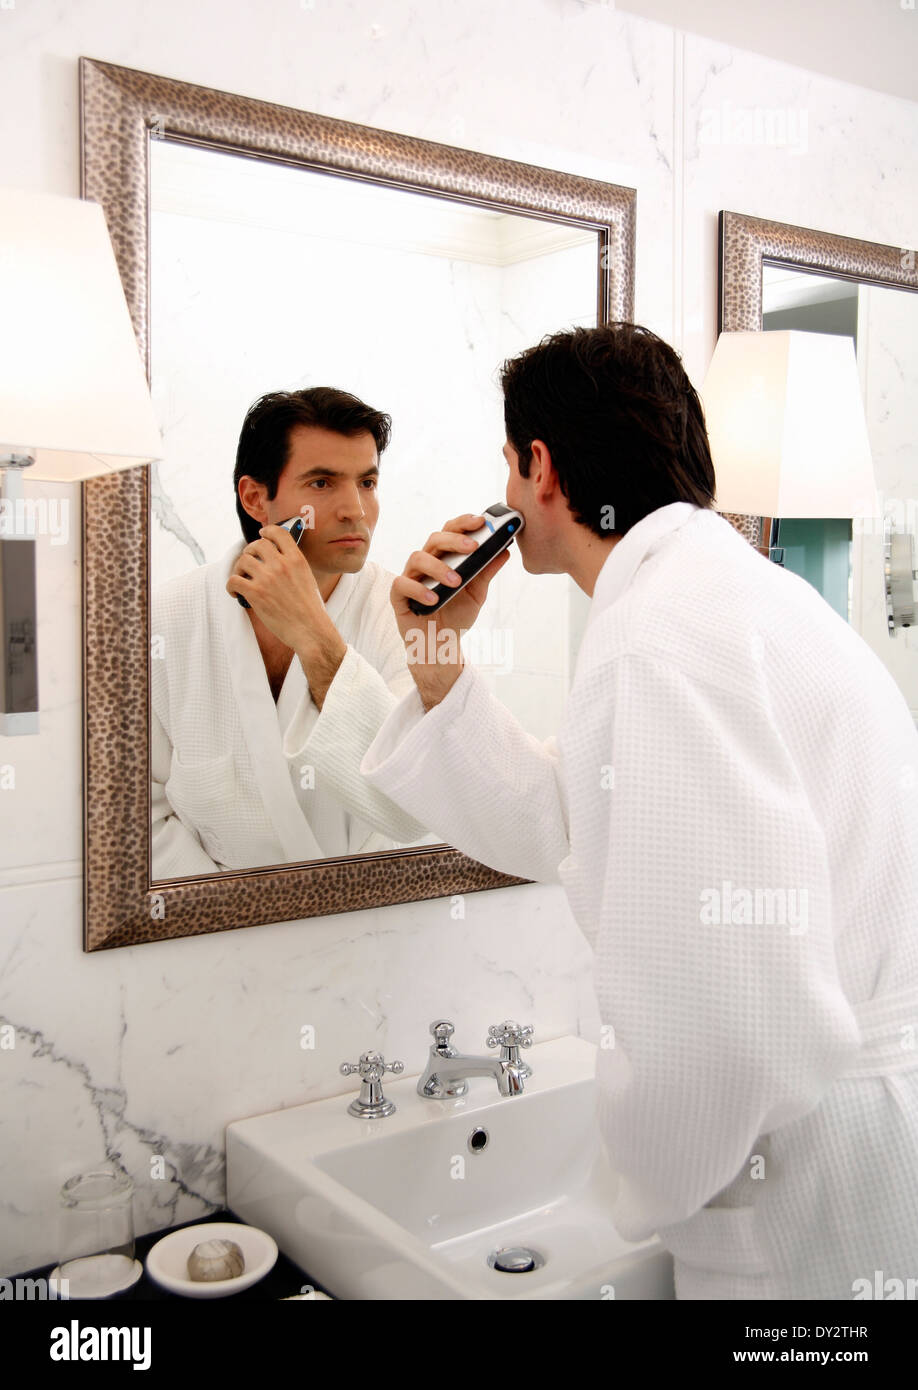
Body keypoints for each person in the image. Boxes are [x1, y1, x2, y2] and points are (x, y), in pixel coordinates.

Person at [360, 323, 918, 1299]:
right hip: (854, 1151)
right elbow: (573, 824)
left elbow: (724, 1018)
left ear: (540, 466)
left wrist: (646, 1179)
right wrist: (437, 657)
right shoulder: (729, 598)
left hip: (803, 1195)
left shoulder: (654, 637)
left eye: (508, 462)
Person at [151, 387, 428, 876]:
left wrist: (313, 634)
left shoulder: (401, 613)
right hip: (212, 938)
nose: (356, 511)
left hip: (366, 925)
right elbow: (138, 809)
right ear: (256, 498)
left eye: (366, 482)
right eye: (322, 483)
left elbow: (415, 805)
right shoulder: (169, 618)